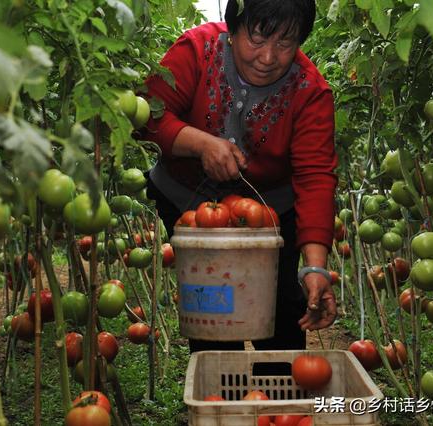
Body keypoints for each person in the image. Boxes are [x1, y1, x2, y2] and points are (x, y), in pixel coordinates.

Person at [142, 0, 338, 359]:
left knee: (279, 306)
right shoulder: (195, 52)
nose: (267, 57)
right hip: (187, 199)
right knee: (212, 305)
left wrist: (315, 266)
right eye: (258, 38)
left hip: (270, 212)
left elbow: (315, 177)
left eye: (285, 43)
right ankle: (219, 399)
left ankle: (277, 407)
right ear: (233, 29)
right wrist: (198, 143)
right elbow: (147, 115)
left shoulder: (310, 92)